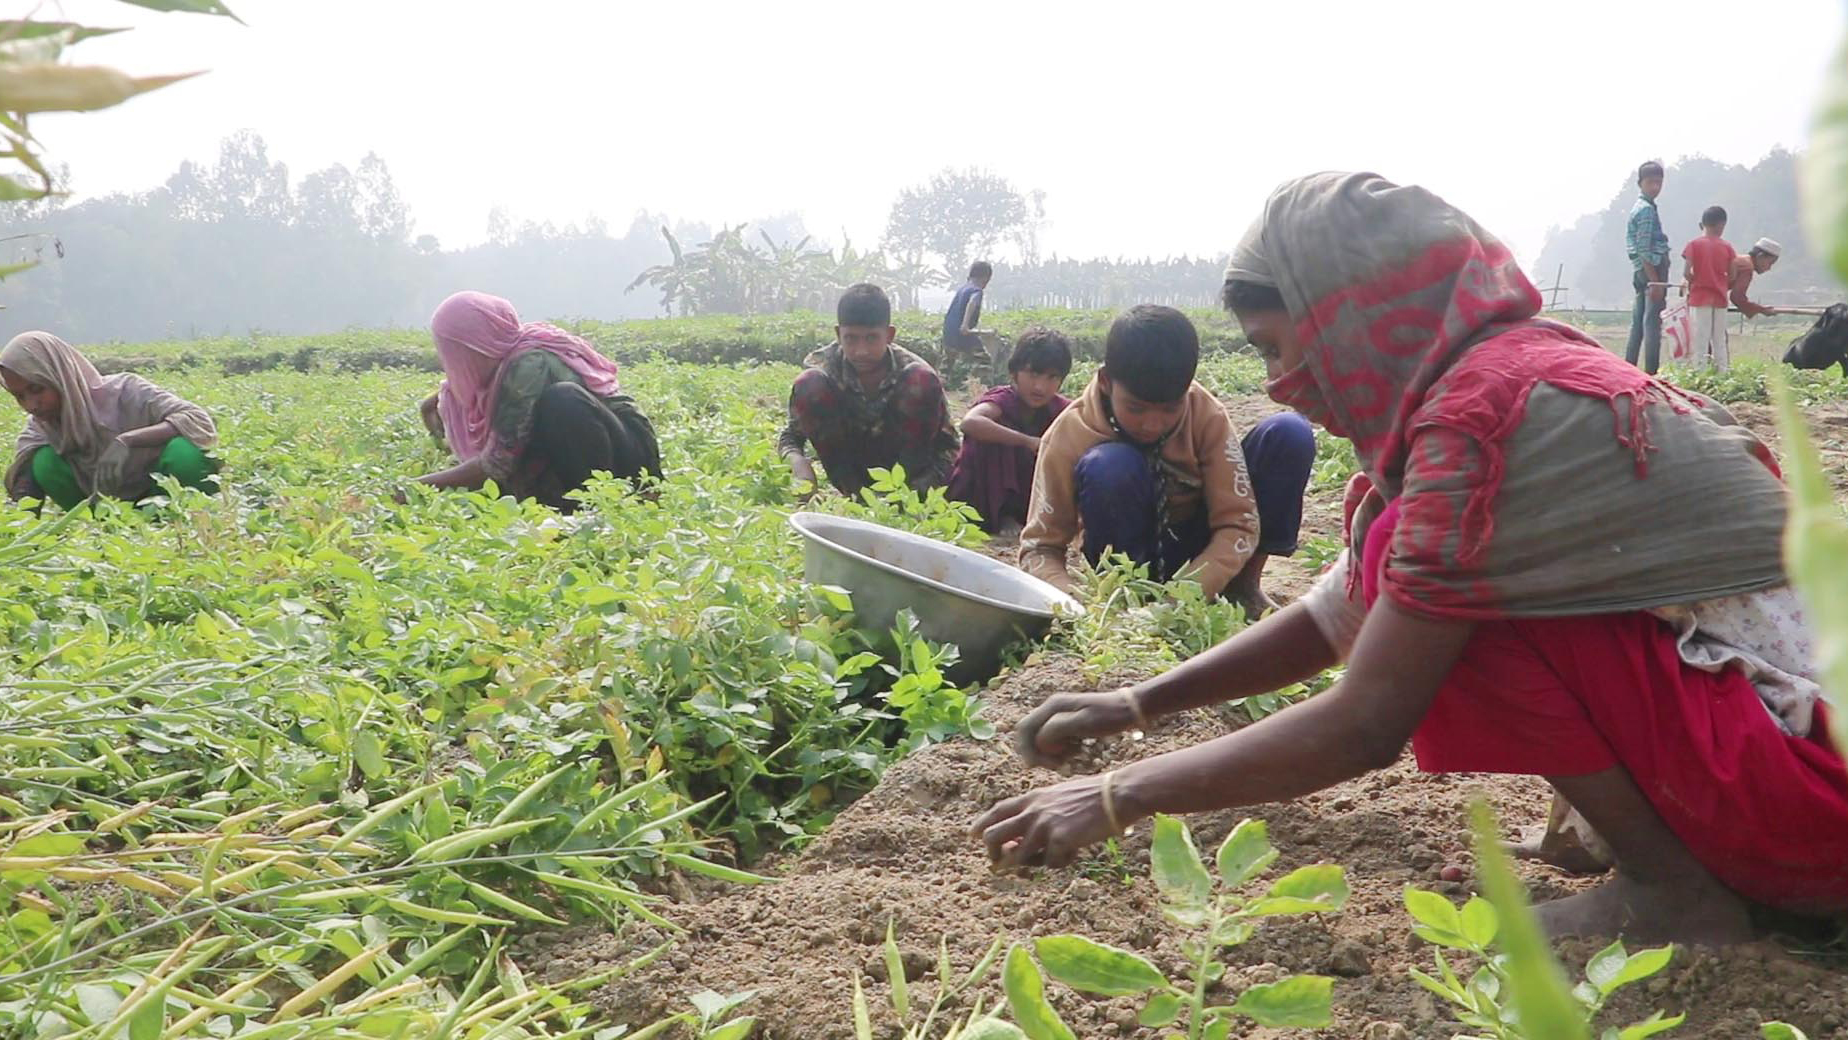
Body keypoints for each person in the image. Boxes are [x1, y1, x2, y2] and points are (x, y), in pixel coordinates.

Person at [973, 172, 1848, 946]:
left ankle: (1672, 890)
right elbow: (1336, 613)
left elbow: (1366, 720)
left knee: (1456, 603)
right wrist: (1136, 703)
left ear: (1349, 318)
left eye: (1278, 345)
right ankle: (1663, 854)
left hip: (1817, 802)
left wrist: (1117, 795)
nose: (1276, 381)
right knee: (1425, 576)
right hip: (1798, 767)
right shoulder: (1516, 368)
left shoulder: (1477, 428)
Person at [1017, 304, 1315, 619]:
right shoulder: (1068, 435)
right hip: (1125, 557)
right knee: (1110, 465)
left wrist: (1183, 596)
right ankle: (1131, 600)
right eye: (1136, 408)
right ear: (1105, 382)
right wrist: (1079, 604)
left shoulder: (1206, 414)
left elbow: (1238, 524)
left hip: (1202, 550)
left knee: (1289, 433)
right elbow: (1039, 549)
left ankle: (1242, 587)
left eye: (1171, 409)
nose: (1152, 425)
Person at [414, 291, 660, 512]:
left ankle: (593, 506)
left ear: (475, 345)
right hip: (584, 452)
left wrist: (414, 487)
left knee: (562, 399)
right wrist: (430, 412)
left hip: (628, 459)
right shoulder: (492, 371)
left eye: (449, 349)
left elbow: (498, 463)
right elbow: (438, 403)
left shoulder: (528, 364)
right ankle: (567, 501)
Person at [1, 332, 219, 509]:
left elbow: (195, 418)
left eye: (37, 389)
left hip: (161, 495)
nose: (31, 405)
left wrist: (128, 440)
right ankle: (98, 524)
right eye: (20, 396)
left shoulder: (126, 391)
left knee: (184, 451)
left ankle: (188, 514)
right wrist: (20, 527)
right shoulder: (41, 427)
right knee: (43, 461)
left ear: (60, 377)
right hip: (102, 507)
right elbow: (24, 485)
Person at [780, 283, 958, 497]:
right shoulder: (824, 368)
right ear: (838, 334)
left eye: (872, 338)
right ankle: (856, 496)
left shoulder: (916, 373)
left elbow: (948, 446)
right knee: (809, 383)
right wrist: (798, 463)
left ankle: (897, 499)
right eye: (851, 338)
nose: (861, 351)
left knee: (921, 381)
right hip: (851, 471)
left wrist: (920, 490)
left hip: (910, 474)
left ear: (889, 335)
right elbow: (791, 437)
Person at [946, 326, 1074, 535]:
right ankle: (1003, 516)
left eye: (1051, 377)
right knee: (994, 434)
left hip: (1033, 500)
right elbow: (970, 422)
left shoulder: (1059, 408)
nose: (1040, 387)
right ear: (1014, 372)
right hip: (981, 499)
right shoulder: (1002, 399)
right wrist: (1027, 441)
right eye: (1033, 374)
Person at [1624, 161, 1670, 374]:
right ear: (1640, 183)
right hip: (1652, 269)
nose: (1655, 187)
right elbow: (1644, 248)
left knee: (1639, 323)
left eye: (1659, 183)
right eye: (1650, 182)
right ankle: (1652, 372)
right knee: (1652, 323)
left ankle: (1628, 368)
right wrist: (1655, 281)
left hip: (1641, 270)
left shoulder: (1642, 207)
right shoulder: (1646, 211)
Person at [1680, 206, 1737, 369]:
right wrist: (1722, 283)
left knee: (1700, 339)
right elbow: (1732, 275)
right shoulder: (1727, 247)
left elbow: (1686, 272)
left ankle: (1700, 372)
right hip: (1720, 298)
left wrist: (1695, 280)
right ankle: (1722, 371)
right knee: (1719, 339)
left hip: (1699, 297)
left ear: (1702, 224)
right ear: (1722, 225)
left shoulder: (1693, 245)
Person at [942, 261, 994, 362]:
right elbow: (972, 302)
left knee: (949, 363)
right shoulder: (977, 290)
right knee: (984, 361)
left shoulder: (962, 289)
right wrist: (965, 325)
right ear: (985, 278)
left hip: (948, 334)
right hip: (962, 334)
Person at [1731, 238, 1783, 318]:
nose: (1769, 268)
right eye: (1770, 263)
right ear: (1760, 256)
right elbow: (1737, 297)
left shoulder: (1742, 260)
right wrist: (1761, 309)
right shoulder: (1747, 267)